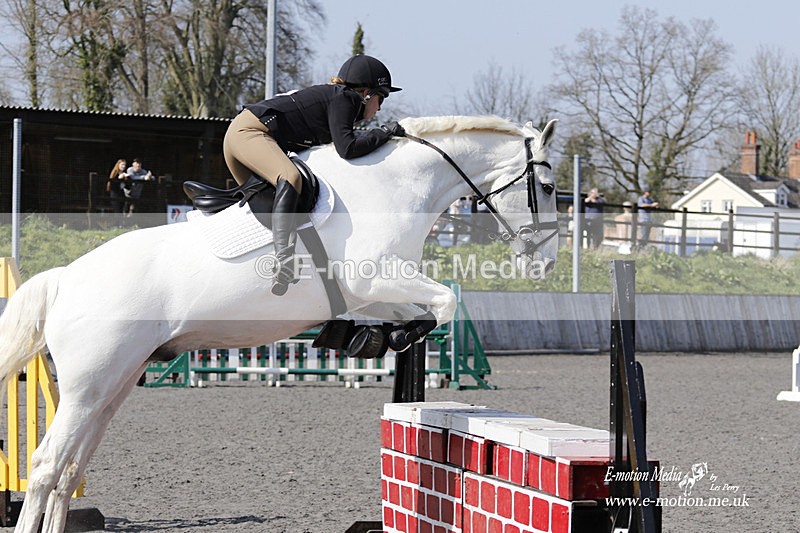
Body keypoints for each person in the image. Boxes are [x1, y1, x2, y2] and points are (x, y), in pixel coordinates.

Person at [223, 54, 405, 296]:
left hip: (242, 134)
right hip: (250, 132)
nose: (380, 107)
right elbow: (348, 149)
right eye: (381, 98)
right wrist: (384, 134)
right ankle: (284, 261)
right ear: (366, 93)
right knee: (291, 177)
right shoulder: (345, 98)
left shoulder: (337, 100)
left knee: (276, 205)